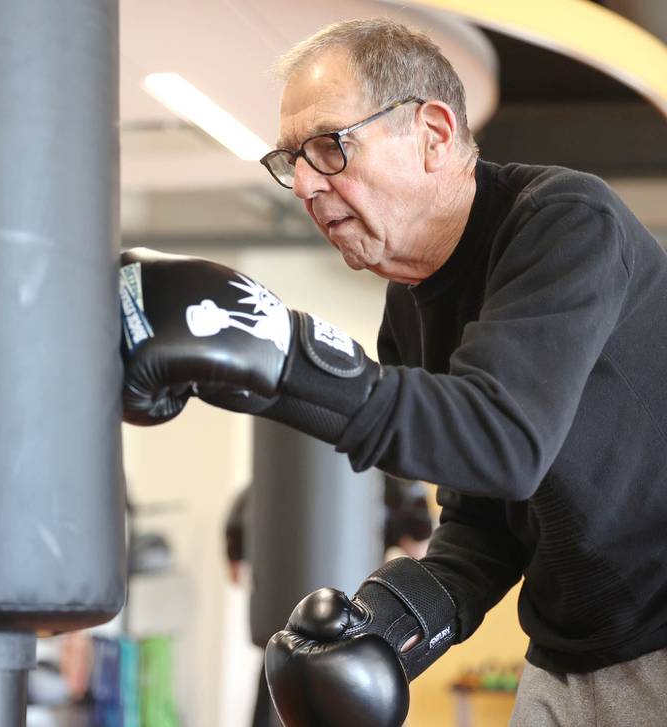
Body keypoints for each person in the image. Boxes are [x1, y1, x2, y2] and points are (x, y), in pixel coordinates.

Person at [118, 17, 667, 727]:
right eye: (292, 161)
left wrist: (283, 351)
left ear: (434, 134)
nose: (306, 185)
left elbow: (503, 440)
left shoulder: (566, 223)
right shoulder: (406, 307)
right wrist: (389, 624)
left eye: (329, 147)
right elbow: (484, 519)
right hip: (565, 656)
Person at [224, 477, 433, 727]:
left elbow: (235, 573)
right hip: (357, 639)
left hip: (283, 645)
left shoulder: (262, 484)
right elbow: (420, 553)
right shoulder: (388, 485)